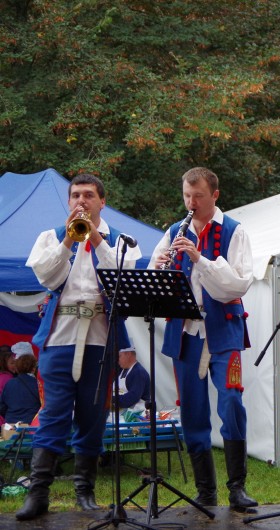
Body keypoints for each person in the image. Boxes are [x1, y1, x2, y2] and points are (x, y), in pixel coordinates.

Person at [19, 173, 142, 520]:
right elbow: (47, 278)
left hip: (100, 338)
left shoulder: (123, 242)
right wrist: (68, 243)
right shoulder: (50, 237)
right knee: (54, 412)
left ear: (102, 201)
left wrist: (97, 237)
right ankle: (38, 492)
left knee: (92, 415)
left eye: (88, 195)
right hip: (60, 337)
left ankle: (84, 491)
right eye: (75, 196)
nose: (81, 201)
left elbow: (121, 278)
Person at [150, 167, 256, 511]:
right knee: (193, 412)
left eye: (197, 196)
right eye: (186, 196)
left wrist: (200, 259)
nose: (190, 203)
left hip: (224, 333)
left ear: (215, 195)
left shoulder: (234, 231)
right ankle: (205, 491)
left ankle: (237, 488)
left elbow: (237, 285)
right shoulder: (172, 232)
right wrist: (163, 268)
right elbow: (153, 278)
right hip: (186, 334)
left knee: (231, 404)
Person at [0, 352, 40, 425]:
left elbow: (2, 407)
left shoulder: (9, 383)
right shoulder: (38, 384)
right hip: (31, 424)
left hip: (11, 424)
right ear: (33, 368)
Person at [116, 347, 150, 416]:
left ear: (128, 354)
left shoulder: (138, 372)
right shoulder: (121, 370)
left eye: (119, 356)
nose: (117, 360)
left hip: (135, 417)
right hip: (122, 415)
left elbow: (131, 398)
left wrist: (111, 400)